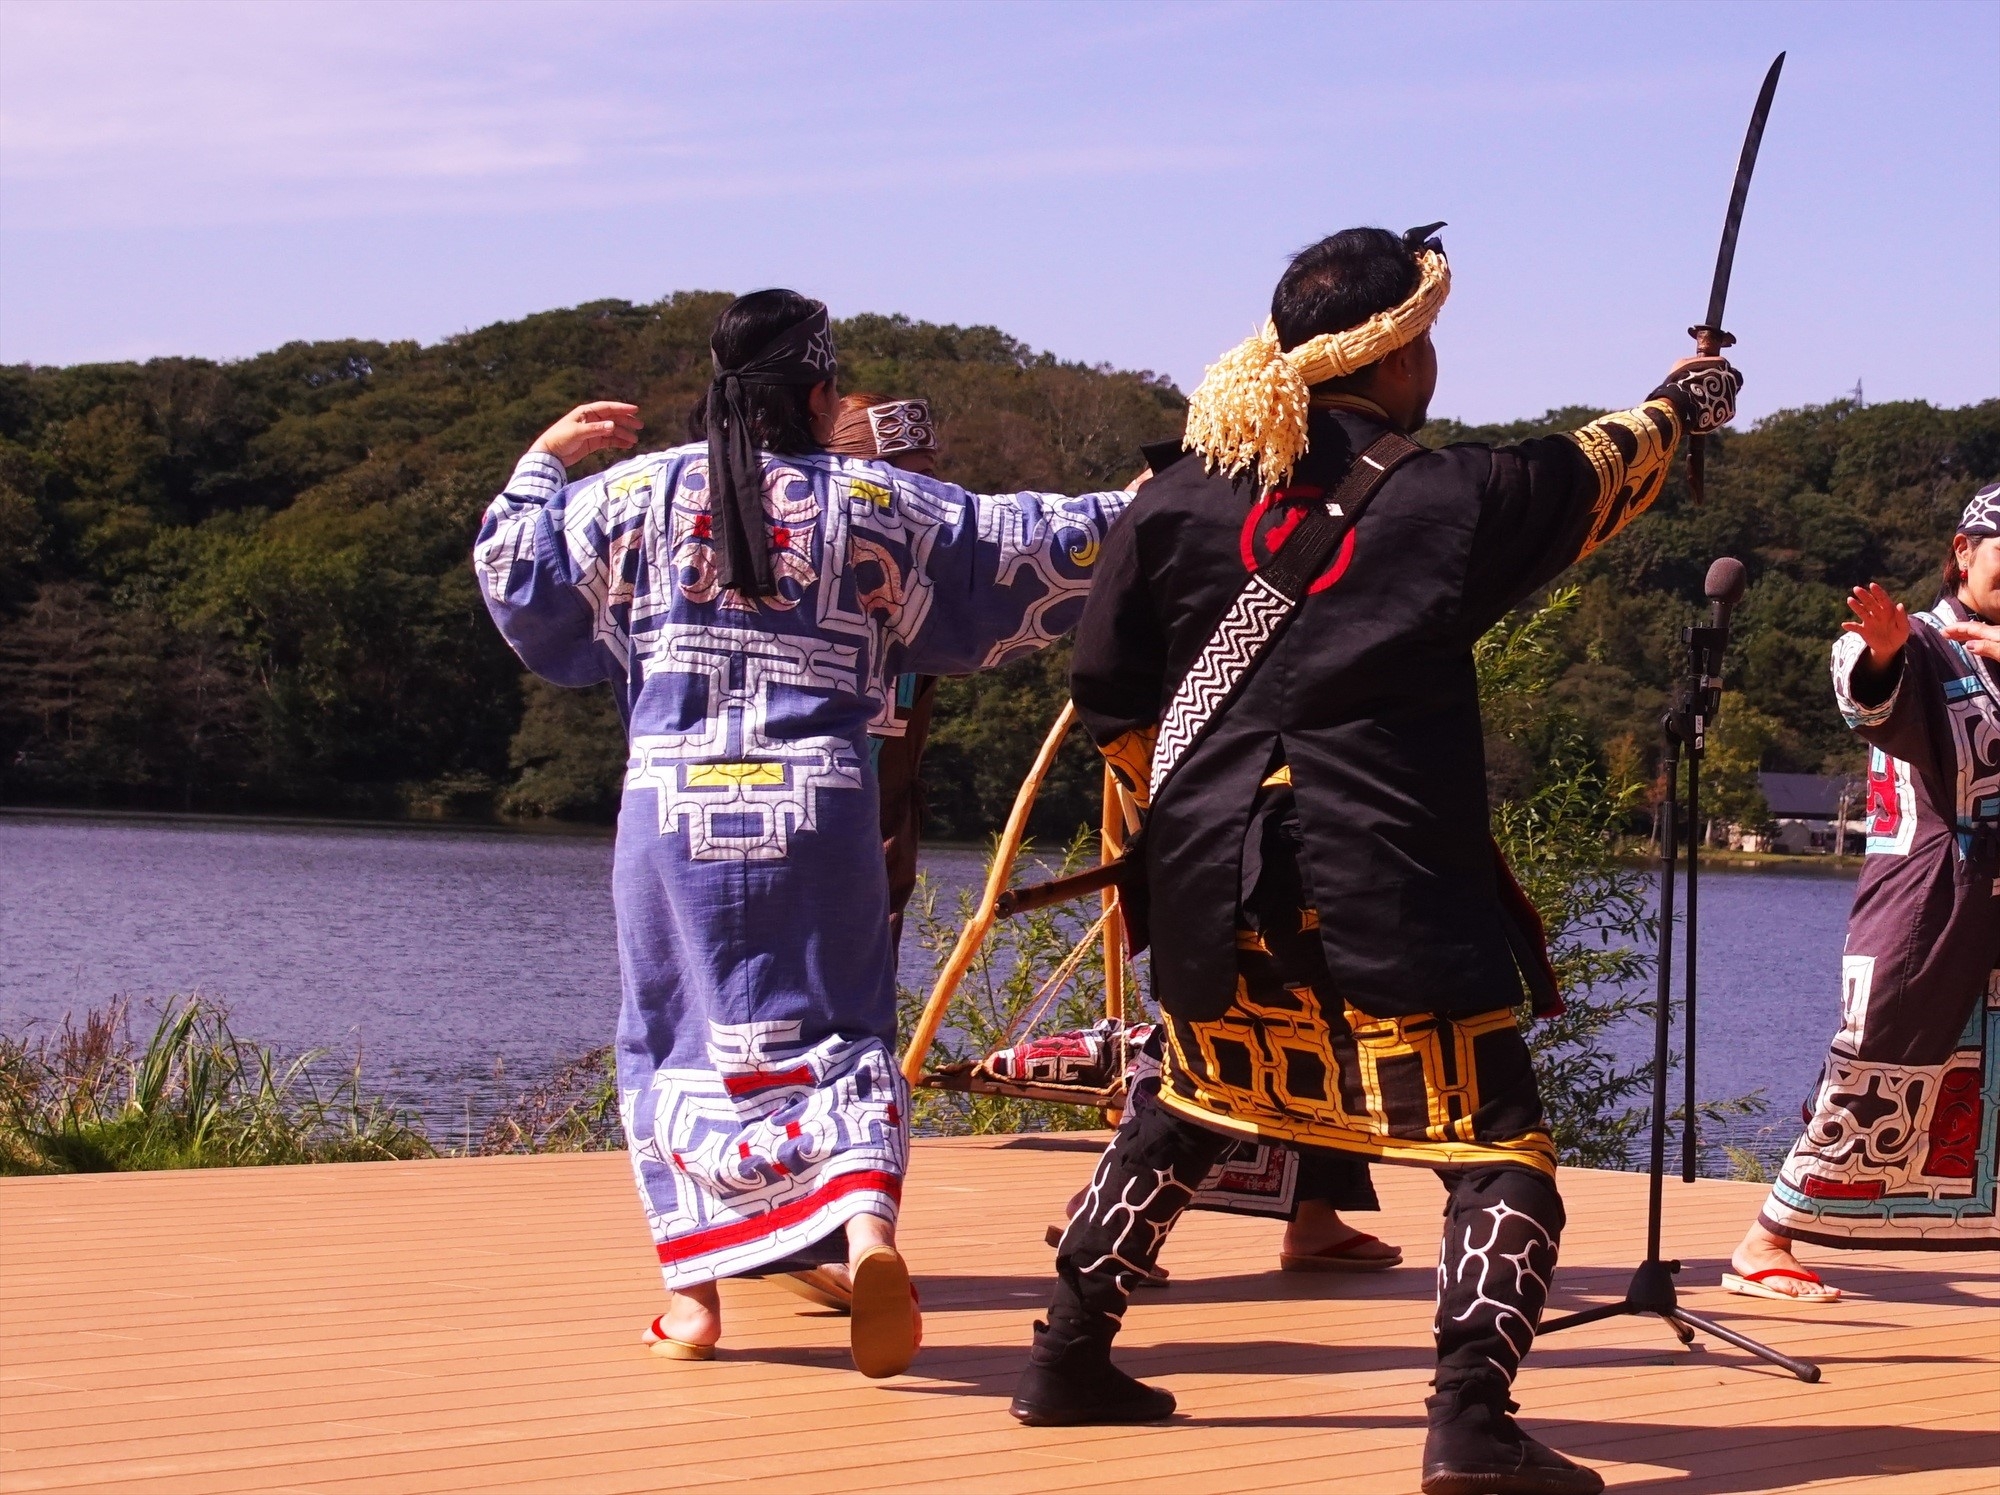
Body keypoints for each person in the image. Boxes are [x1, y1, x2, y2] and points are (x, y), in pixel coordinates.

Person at [1007, 225, 1740, 1495]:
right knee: (1496, 1145)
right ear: (1395, 355)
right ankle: (1467, 1426)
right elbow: (1595, 468)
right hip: (1384, 882)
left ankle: (1068, 1356)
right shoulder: (1448, 500)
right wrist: (1685, 402)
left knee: (1189, 1103)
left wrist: (1181, 833)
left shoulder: (1174, 494)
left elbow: (1108, 699)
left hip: (1210, 882)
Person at [473, 290, 1132, 1378]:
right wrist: (1162, 494)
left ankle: (693, 1304)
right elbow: (1029, 540)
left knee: (673, 1036)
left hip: (673, 809)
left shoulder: (632, 496)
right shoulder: (874, 500)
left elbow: (515, 570)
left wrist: (541, 460)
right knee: (837, 1031)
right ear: (822, 396)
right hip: (819, 806)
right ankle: (866, 1233)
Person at [1729, 483, 2000, 1295]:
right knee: (1877, 1060)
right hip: (1931, 897)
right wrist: (1883, 649)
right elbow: (1866, 687)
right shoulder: (1929, 642)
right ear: (1964, 551)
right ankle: (1765, 1238)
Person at [826, 392, 943, 951]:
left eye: (930, 481)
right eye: (906, 482)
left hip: (886, 823)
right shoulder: (805, 568)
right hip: (807, 810)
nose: (924, 498)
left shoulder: (928, 575)